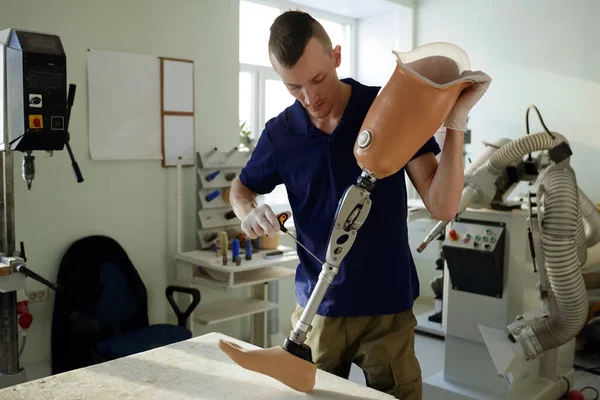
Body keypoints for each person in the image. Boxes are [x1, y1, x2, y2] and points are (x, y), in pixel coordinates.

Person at [230, 10, 490, 400]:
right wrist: (248, 210)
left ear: (335, 56)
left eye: (317, 79)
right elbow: (241, 188)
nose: (310, 97)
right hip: (318, 312)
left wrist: (455, 122)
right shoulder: (281, 134)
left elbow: (443, 205)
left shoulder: (388, 109)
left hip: (386, 308)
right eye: (293, 87)